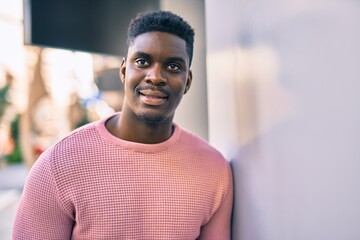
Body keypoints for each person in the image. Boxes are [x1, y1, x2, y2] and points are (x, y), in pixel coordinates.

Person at [12, 10, 233, 239]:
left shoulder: (214, 170)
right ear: (124, 71)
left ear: (187, 82)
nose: (155, 76)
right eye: (142, 61)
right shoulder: (58, 164)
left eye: (173, 66)